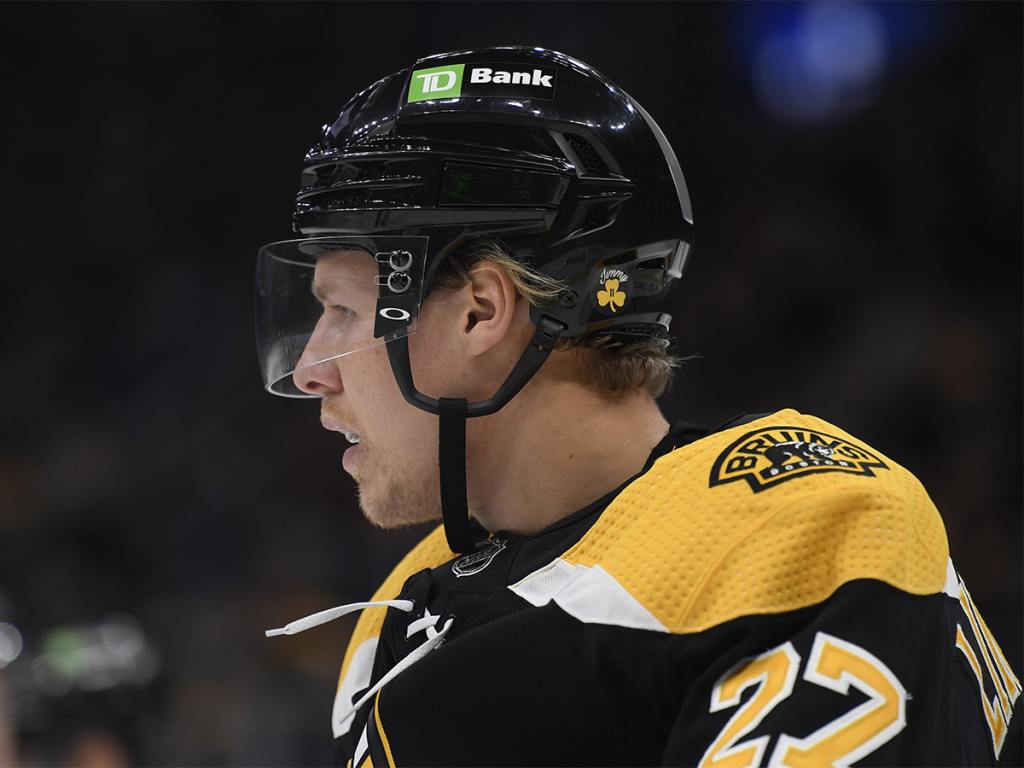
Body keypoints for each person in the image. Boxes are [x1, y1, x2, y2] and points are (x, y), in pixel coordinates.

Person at [258, 46, 1021, 766]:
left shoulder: (796, 527)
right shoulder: (407, 603)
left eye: (343, 312)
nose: (314, 370)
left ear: (481, 312)